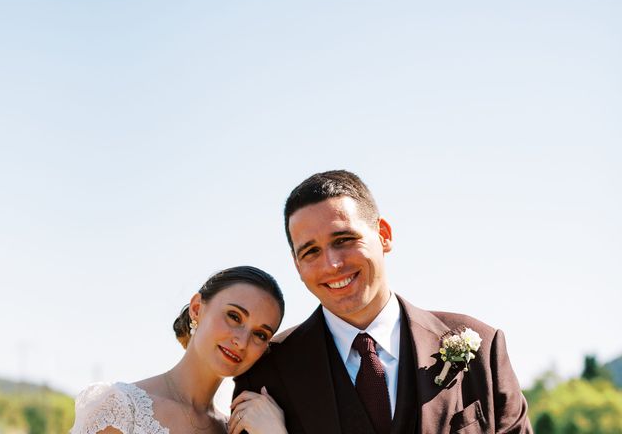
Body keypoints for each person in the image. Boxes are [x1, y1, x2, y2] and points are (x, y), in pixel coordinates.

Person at [232, 171, 532, 433]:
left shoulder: (483, 348)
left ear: (384, 235)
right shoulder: (266, 374)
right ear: (297, 266)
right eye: (310, 251)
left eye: (344, 239)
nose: (332, 264)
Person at [71, 266, 288, 434]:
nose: (242, 342)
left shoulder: (238, 429)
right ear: (196, 309)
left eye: (260, 335)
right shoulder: (121, 409)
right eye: (234, 316)